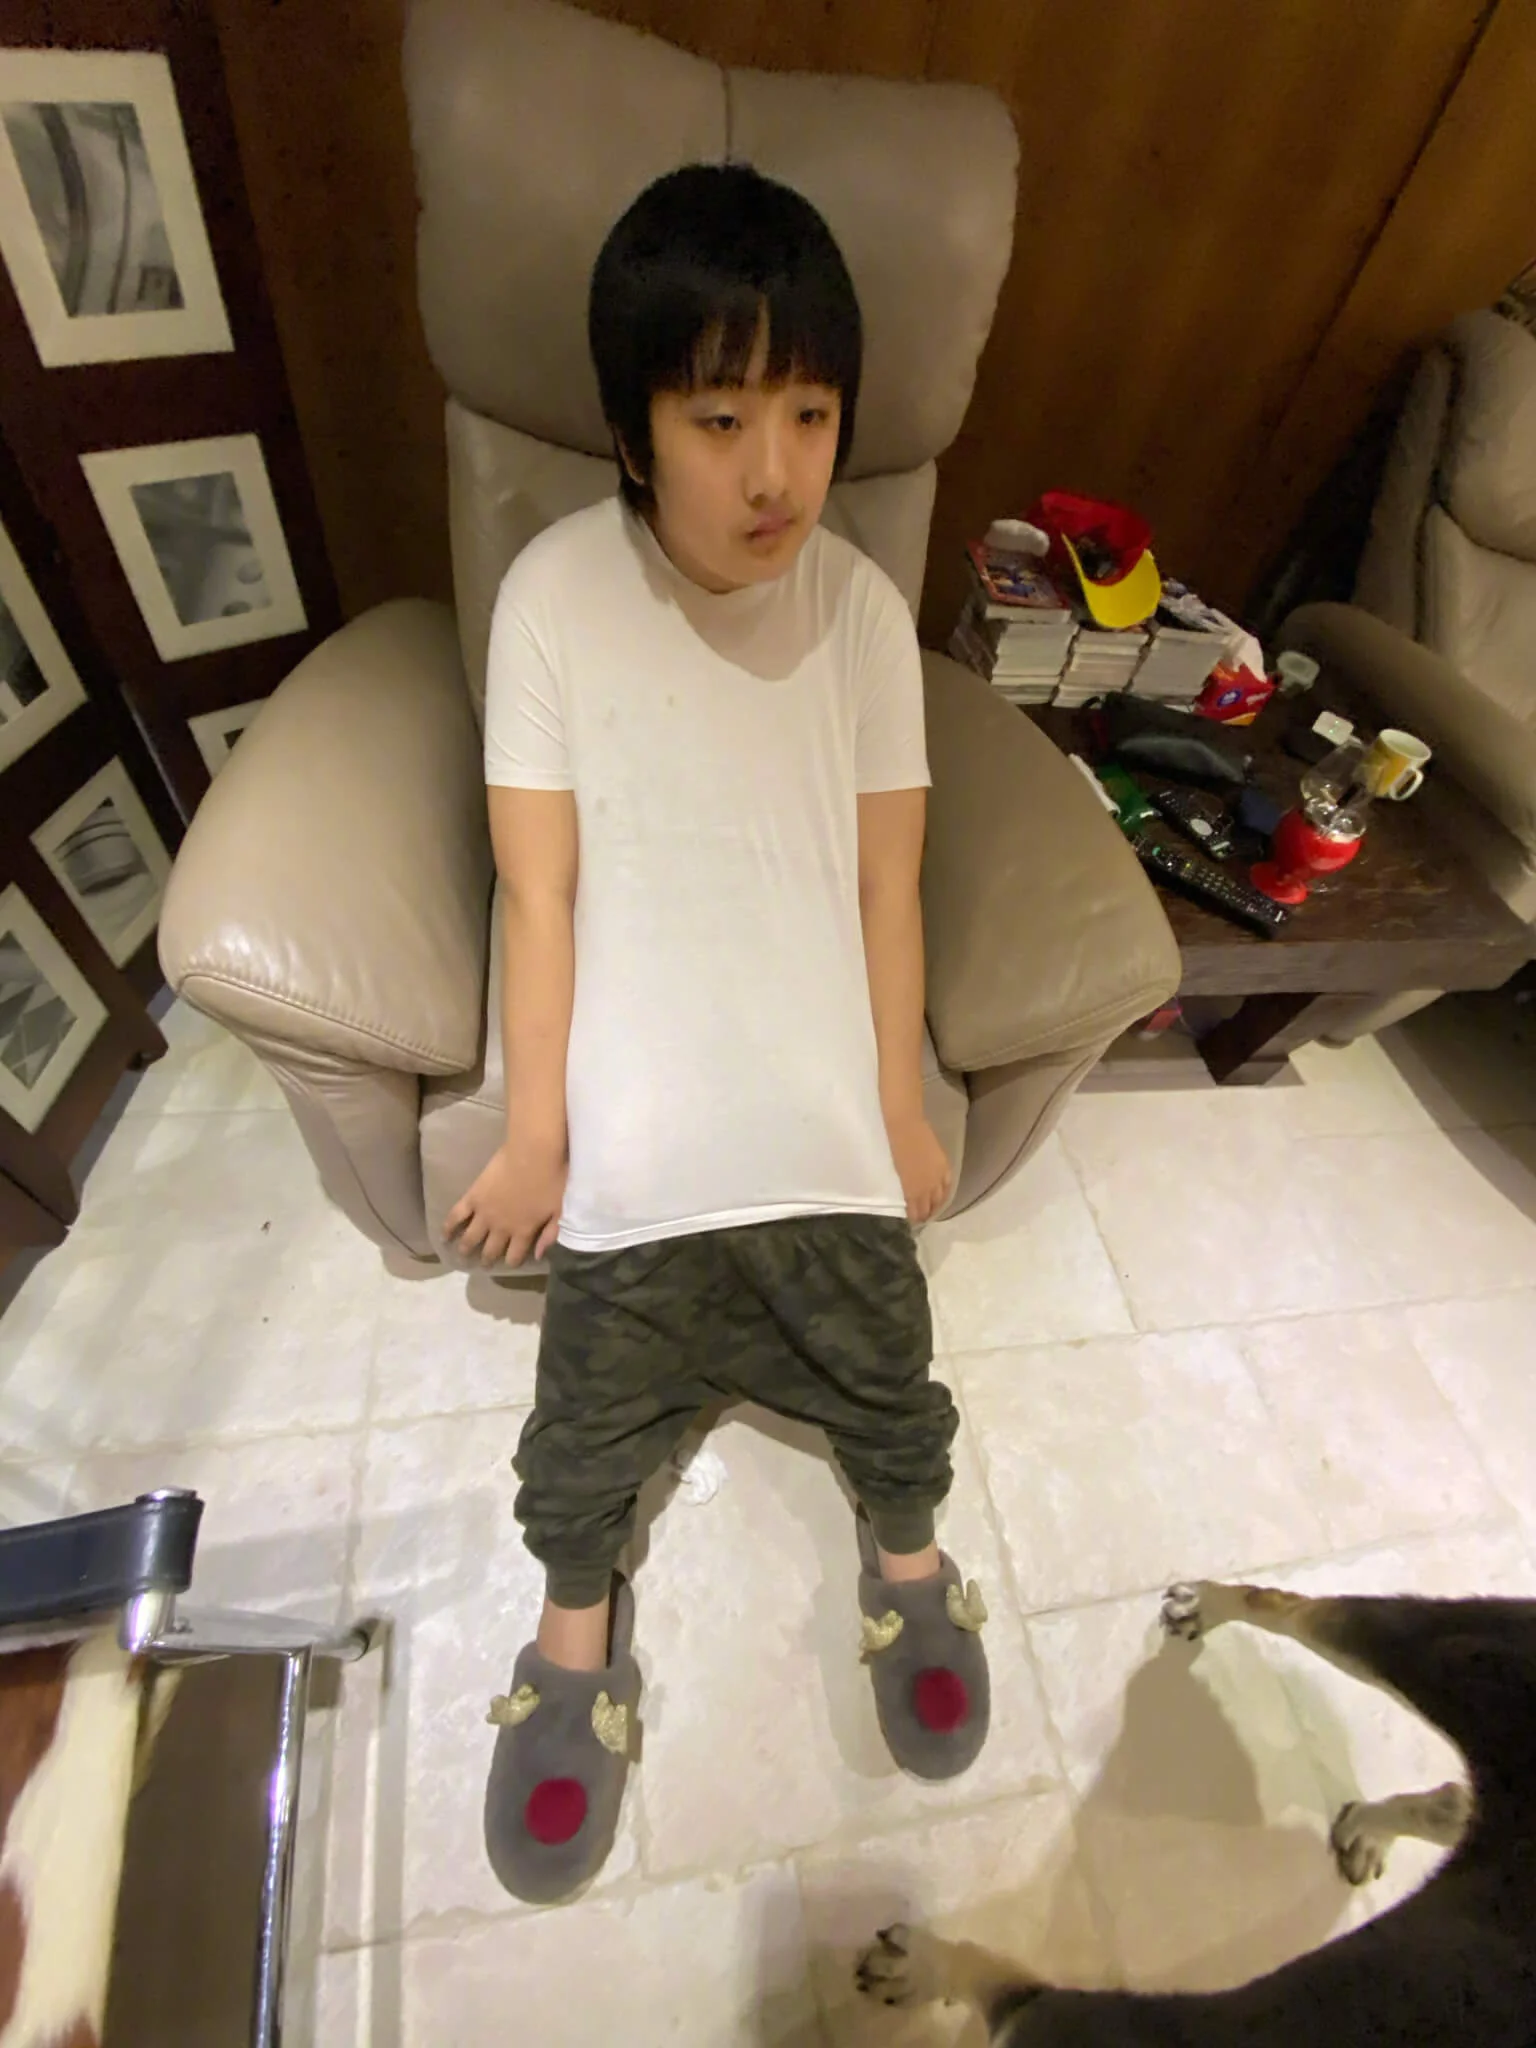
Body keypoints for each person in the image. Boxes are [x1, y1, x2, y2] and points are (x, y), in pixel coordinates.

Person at [446, 162, 990, 1906]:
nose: (777, 472)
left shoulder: (860, 614)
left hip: (817, 1130)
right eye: (722, 417)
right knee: (576, 1446)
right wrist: (538, 1136)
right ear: (634, 433)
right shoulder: (553, 595)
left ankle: (910, 1570)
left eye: (813, 414)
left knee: (896, 1392)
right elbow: (538, 892)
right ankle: (573, 1642)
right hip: (643, 1147)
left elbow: (888, 888)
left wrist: (898, 1101)